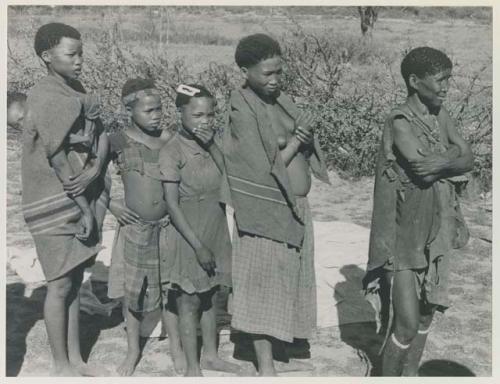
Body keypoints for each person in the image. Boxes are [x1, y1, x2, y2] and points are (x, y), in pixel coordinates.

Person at [221, 33, 330, 376]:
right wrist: (297, 141)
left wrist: (305, 140)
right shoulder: (241, 108)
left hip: (295, 205)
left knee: (288, 279)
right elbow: (259, 167)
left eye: (279, 72)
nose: (274, 80)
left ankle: (281, 350)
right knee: (261, 283)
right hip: (265, 208)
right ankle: (265, 366)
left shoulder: (282, 102)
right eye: (267, 74)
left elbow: (297, 146)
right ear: (244, 70)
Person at [364, 46, 474, 376]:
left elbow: (469, 159)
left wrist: (445, 159)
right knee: (407, 323)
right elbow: (422, 167)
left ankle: (410, 376)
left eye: (448, 80)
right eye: (439, 80)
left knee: (427, 314)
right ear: (415, 81)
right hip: (401, 236)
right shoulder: (399, 120)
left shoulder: (440, 115)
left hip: (435, 230)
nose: (445, 87)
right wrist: (454, 158)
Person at [21, 23, 110, 376]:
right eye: (71, 54)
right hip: (54, 200)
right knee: (58, 284)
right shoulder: (44, 96)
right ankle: (60, 366)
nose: (79, 61)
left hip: (77, 194)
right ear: (47, 56)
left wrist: (94, 170)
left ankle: (76, 360)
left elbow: (101, 132)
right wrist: (85, 205)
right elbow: (57, 160)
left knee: (73, 280)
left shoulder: (76, 90)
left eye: (81, 54)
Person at [160, 84, 243, 376]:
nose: (204, 121)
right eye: (196, 115)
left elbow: (230, 175)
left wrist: (212, 146)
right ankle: (192, 369)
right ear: (180, 112)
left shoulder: (211, 144)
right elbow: (171, 205)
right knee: (189, 301)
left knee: (211, 296)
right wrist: (197, 246)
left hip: (216, 225)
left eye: (209, 115)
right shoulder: (172, 150)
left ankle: (211, 356)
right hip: (189, 234)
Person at [106, 78, 184, 376]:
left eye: (160, 109)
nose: (156, 115)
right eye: (149, 110)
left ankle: (177, 347)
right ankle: (132, 350)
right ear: (129, 110)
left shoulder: (171, 140)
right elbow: (96, 175)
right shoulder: (117, 140)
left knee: (171, 288)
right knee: (133, 291)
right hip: (135, 228)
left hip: (168, 227)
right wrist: (112, 204)